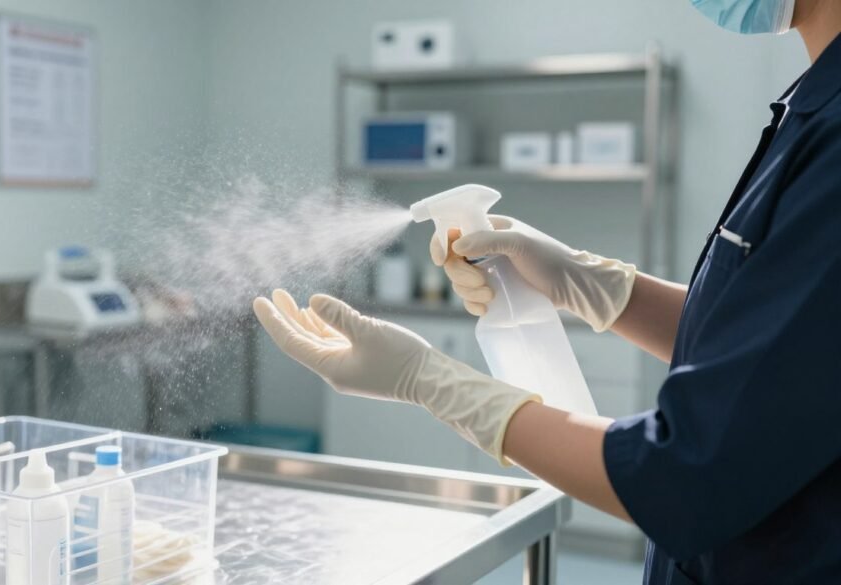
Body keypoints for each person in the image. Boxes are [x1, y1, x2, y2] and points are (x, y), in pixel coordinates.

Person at [254, 0, 841, 583]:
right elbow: (775, 344)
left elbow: (688, 474)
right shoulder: (810, 105)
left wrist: (428, 381)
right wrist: (591, 283)